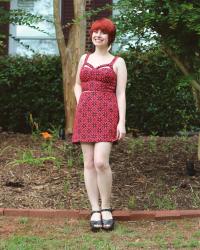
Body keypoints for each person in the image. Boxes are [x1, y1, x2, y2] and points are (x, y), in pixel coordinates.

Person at [72, 18, 127, 231]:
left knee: (101, 162)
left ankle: (106, 207)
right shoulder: (83, 58)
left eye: (103, 32)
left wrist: (121, 122)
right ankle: (95, 209)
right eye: (95, 31)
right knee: (88, 163)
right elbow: (77, 84)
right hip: (85, 114)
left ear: (109, 37)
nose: (98, 35)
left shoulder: (117, 62)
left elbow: (121, 94)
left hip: (107, 113)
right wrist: (81, 101)